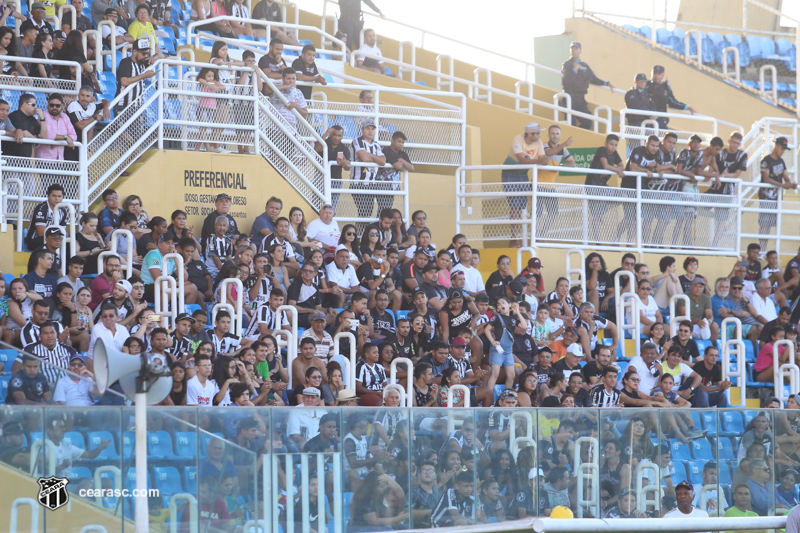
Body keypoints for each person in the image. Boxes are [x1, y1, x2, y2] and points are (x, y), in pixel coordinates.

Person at [501, 122, 548, 243]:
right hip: (510, 172)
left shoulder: (539, 142)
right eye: (537, 133)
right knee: (515, 205)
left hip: (523, 174)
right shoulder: (518, 139)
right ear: (530, 134)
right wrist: (539, 161)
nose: (539, 135)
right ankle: (514, 237)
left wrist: (542, 161)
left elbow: (542, 158)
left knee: (522, 205)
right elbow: (521, 159)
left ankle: (520, 237)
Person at [560, 41, 615, 129]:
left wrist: (607, 83)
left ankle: (578, 138)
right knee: (571, 124)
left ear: (580, 51)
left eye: (576, 49)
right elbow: (568, 80)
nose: (574, 51)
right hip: (570, 98)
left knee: (587, 122)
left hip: (580, 99)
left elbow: (593, 79)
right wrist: (574, 70)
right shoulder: (567, 65)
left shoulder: (584, 66)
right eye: (572, 49)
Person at [585, 134, 624, 240]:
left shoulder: (614, 153)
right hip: (592, 184)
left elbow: (622, 166)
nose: (613, 147)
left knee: (622, 196)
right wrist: (613, 169)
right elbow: (606, 165)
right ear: (605, 144)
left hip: (602, 185)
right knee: (596, 217)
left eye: (616, 145)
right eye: (611, 144)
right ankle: (598, 241)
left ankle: (602, 211)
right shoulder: (602, 150)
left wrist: (610, 170)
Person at [759, 137, 796, 248]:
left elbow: (785, 176)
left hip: (777, 199)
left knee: (773, 225)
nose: (783, 151)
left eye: (784, 149)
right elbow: (766, 179)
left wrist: (790, 183)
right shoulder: (766, 160)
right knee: (764, 225)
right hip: (766, 198)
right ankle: (761, 250)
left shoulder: (781, 161)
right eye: (781, 148)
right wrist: (783, 186)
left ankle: (770, 250)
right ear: (775, 146)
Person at [645, 65, 697, 129]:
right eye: (654, 74)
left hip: (661, 120)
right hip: (647, 120)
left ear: (663, 75)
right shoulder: (645, 85)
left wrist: (687, 107)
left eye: (659, 74)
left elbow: (672, 102)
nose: (656, 76)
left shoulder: (665, 87)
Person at [114, 38, 156, 115]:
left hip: (138, 107)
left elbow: (162, 56)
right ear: (135, 52)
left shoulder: (143, 62)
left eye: (147, 53)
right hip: (123, 106)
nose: (146, 56)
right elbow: (124, 81)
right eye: (143, 53)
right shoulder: (125, 62)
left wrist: (154, 56)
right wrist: (144, 75)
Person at [25, 184, 67, 251]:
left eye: (59, 196)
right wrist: (57, 235)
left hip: (53, 239)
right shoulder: (41, 208)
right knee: (49, 240)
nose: (57, 198)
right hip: (35, 241)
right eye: (54, 196)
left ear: (62, 197)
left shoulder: (63, 211)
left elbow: (63, 231)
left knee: (69, 243)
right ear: (48, 196)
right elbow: (41, 233)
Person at [36, 93, 76, 161]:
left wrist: (57, 141)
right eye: (52, 105)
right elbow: (47, 135)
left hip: (60, 160)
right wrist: (65, 137)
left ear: (62, 106)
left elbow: (74, 135)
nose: (54, 107)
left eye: (57, 106)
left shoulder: (65, 117)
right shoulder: (43, 115)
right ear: (48, 104)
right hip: (44, 160)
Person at [7, 93, 46, 158]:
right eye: (33, 105)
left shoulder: (32, 119)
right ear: (25, 104)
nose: (35, 107)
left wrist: (42, 117)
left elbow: (44, 137)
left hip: (26, 158)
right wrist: (36, 140)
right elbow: (24, 132)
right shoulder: (15, 116)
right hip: (12, 157)